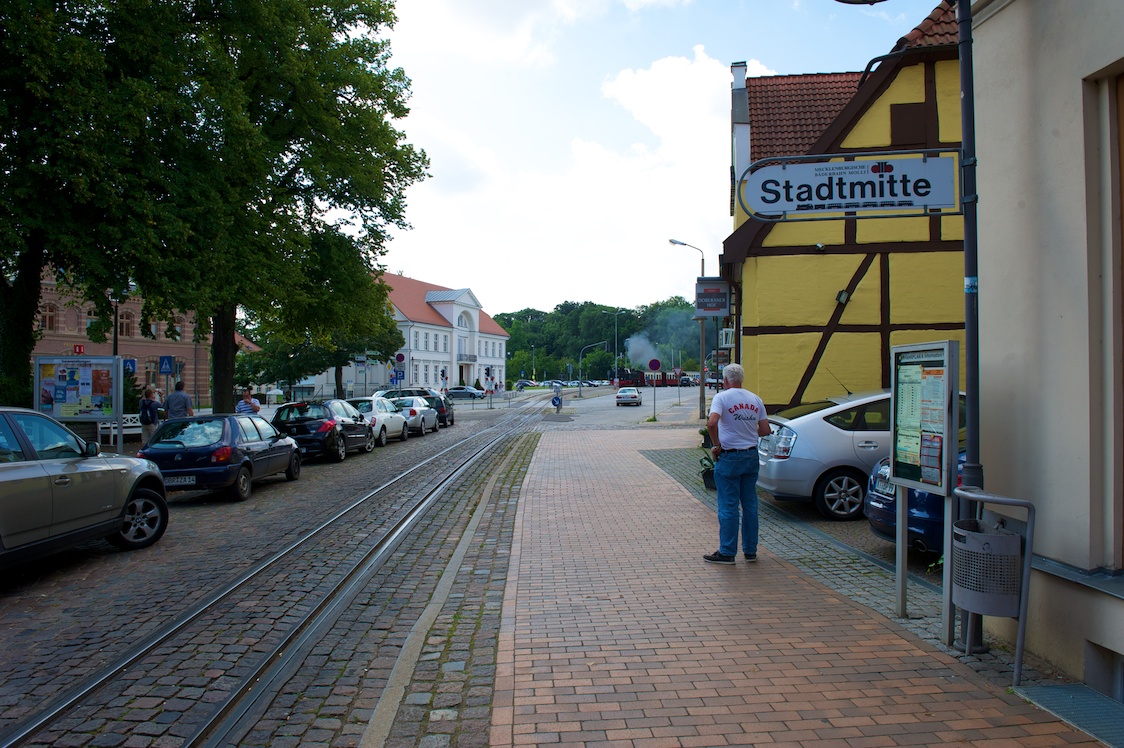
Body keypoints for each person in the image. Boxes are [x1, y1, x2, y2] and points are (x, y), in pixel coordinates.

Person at [704, 363, 771, 565]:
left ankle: (727, 551)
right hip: (751, 456)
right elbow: (765, 430)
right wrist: (747, 432)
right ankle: (750, 551)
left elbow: (712, 422)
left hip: (730, 457)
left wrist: (716, 445)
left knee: (729, 505)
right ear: (741, 379)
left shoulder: (722, 398)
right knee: (750, 504)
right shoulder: (755, 399)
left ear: (725, 380)